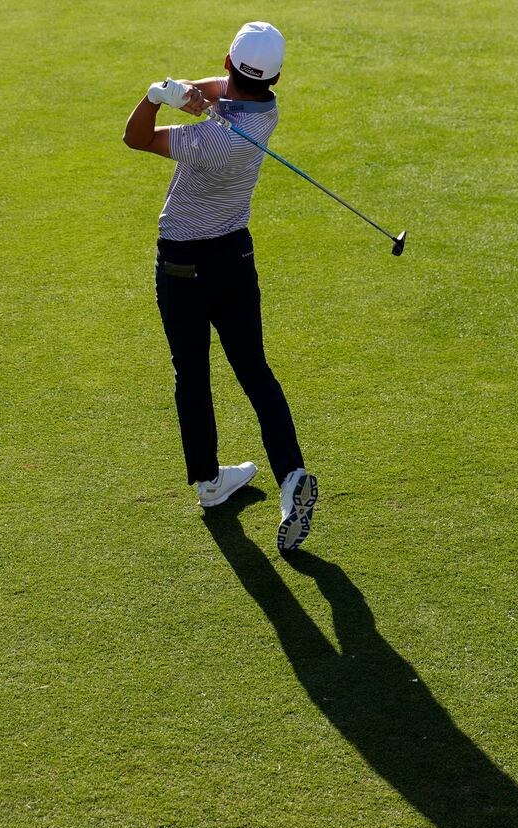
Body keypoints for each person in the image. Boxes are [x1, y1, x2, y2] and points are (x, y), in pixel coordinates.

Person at [122, 21, 318, 552]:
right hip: (235, 258)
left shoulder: (208, 139)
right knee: (255, 371)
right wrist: (190, 93)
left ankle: (209, 483)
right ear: (276, 76)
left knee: (192, 372)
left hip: (183, 267)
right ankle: (291, 478)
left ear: (229, 62)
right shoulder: (266, 111)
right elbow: (223, 91)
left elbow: (135, 138)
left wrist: (153, 97)